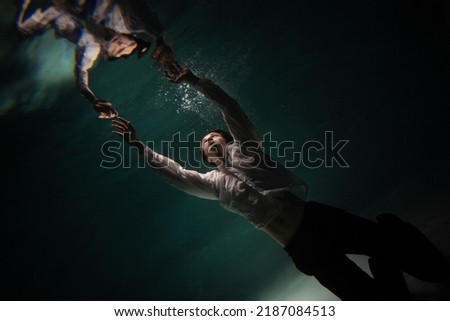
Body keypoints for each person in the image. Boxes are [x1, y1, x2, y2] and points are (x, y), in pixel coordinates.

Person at [111, 54, 450, 301]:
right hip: (300, 248)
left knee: (397, 249)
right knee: (364, 300)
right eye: (204, 144)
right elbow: (176, 174)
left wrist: (192, 80)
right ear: (205, 157)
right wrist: (138, 145)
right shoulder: (213, 183)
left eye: (214, 137)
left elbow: (230, 108)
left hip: (319, 220)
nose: (210, 140)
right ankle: (390, 280)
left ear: (227, 139)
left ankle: (409, 254)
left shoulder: (247, 147)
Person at [15, 0, 152, 118]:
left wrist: (93, 99)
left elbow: (82, 76)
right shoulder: (115, 21)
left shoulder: (91, 47)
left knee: (22, 30)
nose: (121, 44)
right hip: (67, 7)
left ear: (108, 54)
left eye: (120, 50)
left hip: (51, 12)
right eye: (128, 42)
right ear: (127, 35)